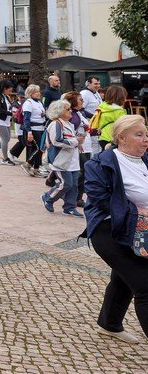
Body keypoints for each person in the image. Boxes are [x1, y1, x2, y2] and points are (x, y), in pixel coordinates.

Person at [83, 114, 148, 343]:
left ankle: (109, 324)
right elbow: (100, 199)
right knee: (144, 284)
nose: (145, 139)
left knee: (124, 277)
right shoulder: (100, 164)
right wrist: (137, 211)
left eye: (146, 134)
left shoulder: (145, 159)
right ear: (121, 137)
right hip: (110, 230)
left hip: (140, 231)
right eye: (139, 134)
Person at [40, 98, 84, 217]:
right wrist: (75, 141)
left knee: (74, 185)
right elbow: (57, 141)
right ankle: (48, 197)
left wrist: (78, 142)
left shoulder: (68, 124)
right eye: (67, 109)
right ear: (59, 111)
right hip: (61, 160)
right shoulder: (56, 124)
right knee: (66, 184)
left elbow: (70, 140)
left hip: (72, 160)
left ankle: (69, 207)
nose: (70, 111)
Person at [20, 84, 48, 177]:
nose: (38, 93)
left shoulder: (39, 102)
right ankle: (28, 163)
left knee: (40, 149)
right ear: (30, 93)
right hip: (34, 129)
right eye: (36, 92)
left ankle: (36, 168)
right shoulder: (28, 103)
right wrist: (29, 132)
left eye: (38, 91)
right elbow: (26, 119)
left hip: (41, 128)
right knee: (39, 148)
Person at [93, 85, 129, 151]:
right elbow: (125, 126)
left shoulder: (102, 107)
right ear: (121, 97)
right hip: (113, 139)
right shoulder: (119, 111)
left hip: (102, 137)